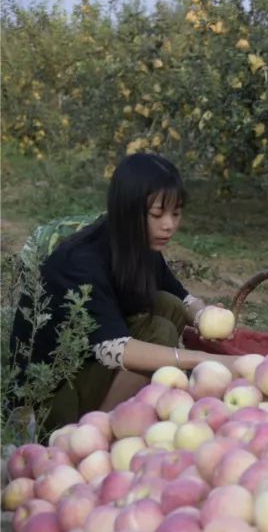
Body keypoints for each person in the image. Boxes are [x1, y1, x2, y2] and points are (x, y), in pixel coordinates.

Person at [8, 152, 236, 431]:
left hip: (88, 364)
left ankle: (130, 410)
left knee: (168, 305)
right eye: (158, 214)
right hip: (51, 395)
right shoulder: (81, 261)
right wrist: (204, 360)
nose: (169, 225)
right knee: (161, 333)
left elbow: (181, 296)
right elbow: (115, 348)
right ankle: (97, 433)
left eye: (175, 213)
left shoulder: (138, 242)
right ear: (128, 210)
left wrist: (204, 316)